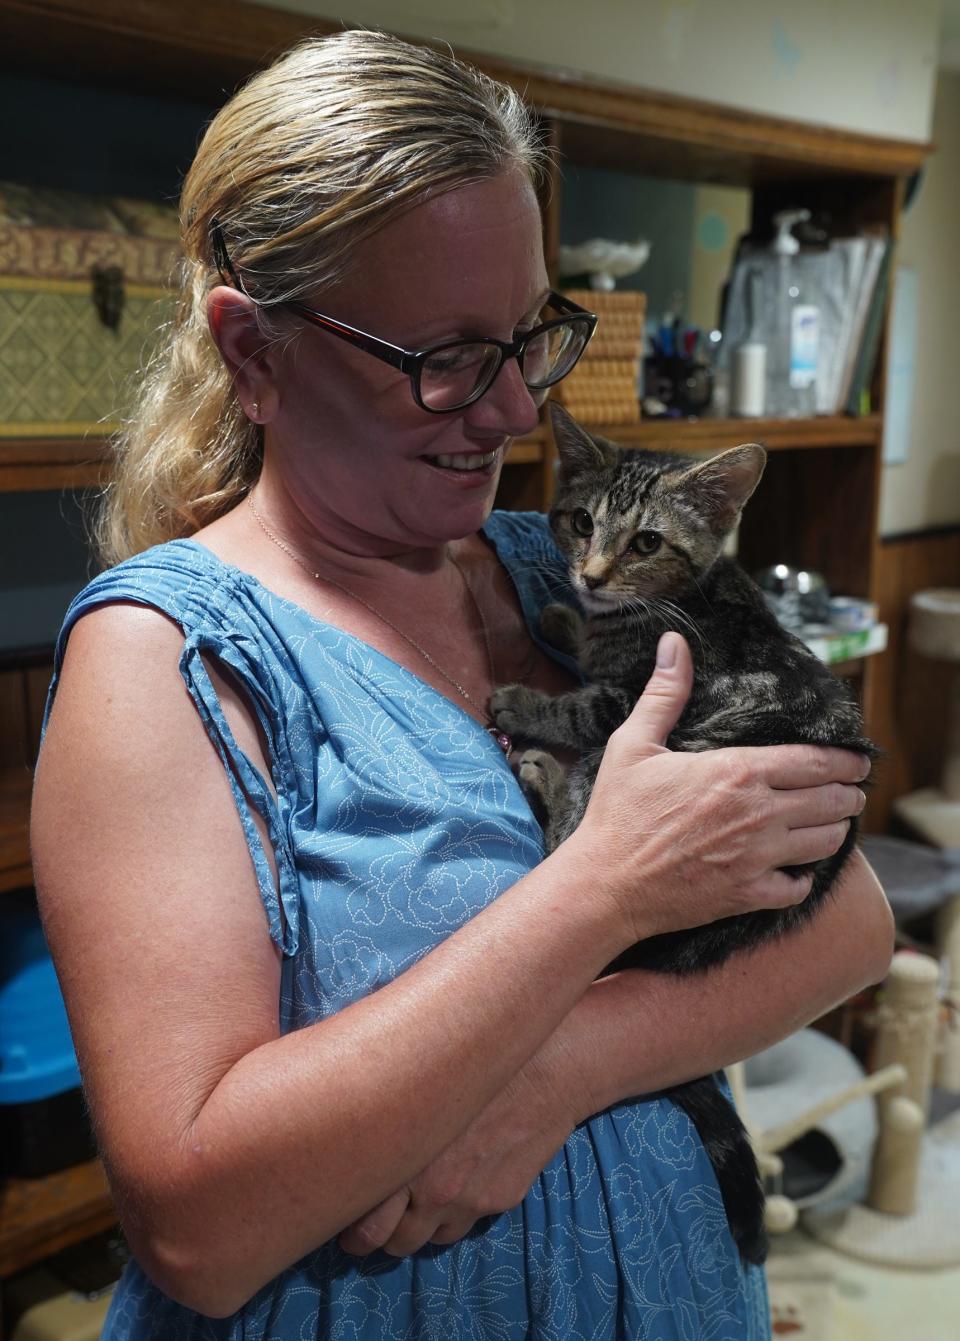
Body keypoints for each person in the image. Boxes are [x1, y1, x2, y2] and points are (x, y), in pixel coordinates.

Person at [31, 29, 893, 1341]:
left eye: (524, 340)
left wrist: (559, 1068)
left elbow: (849, 915)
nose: (509, 415)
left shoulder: (574, 574)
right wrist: (603, 887)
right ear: (256, 355)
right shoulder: (165, 659)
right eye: (443, 355)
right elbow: (198, 1225)